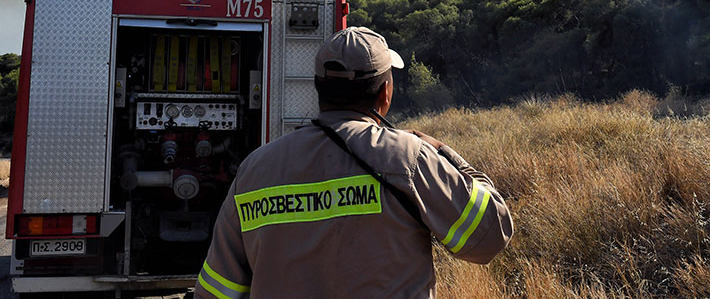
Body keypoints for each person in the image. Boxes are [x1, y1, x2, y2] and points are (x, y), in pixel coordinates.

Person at [195, 26, 513, 299]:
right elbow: (489, 235)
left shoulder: (254, 170)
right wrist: (444, 152)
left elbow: (216, 290)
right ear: (385, 92)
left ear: (319, 88)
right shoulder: (409, 157)